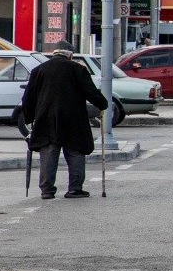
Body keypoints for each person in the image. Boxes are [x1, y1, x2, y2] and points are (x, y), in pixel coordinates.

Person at [20, 42, 108, 200]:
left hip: (46, 119)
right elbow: (91, 92)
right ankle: (75, 189)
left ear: (54, 54)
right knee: (75, 152)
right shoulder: (78, 69)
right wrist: (102, 104)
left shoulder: (39, 70)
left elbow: (28, 98)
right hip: (73, 119)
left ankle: (47, 190)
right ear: (71, 55)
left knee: (48, 153)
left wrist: (29, 117)